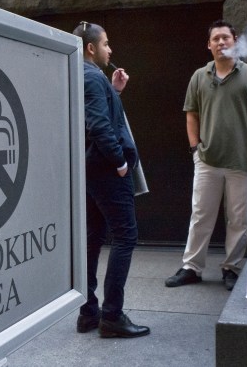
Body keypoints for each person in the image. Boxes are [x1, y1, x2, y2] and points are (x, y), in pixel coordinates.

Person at [165, 19, 247, 291]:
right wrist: (195, 150)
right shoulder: (199, 76)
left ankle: (231, 268)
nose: (221, 42)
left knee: (238, 220)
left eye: (226, 37)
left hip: (242, 161)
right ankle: (191, 267)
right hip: (207, 161)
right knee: (201, 215)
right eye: (216, 39)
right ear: (209, 45)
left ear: (235, 40)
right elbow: (191, 114)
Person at [72, 21, 150, 338]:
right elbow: (99, 127)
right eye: (106, 44)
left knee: (93, 237)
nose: (110, 49)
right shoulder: (91, 77)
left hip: (91, 171)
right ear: (91, 48)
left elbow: (97, 115)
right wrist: (119, 162)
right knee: (125, 235)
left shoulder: (86, 76)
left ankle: (89, 312)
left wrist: (114, 91)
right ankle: (112, 317)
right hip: (107, 171)